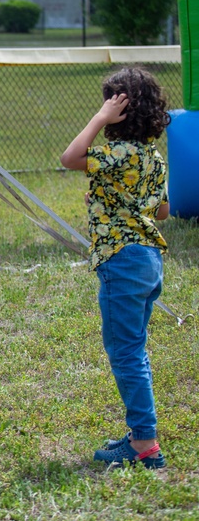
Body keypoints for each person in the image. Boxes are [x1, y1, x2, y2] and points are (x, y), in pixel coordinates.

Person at [60, 66, 170, 469]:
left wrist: (98, 119)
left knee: (126, 355)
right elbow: (162, 210)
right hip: (148, 260)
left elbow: (70, 157)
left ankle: (145, 446)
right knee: (134, 350)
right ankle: (142, 435)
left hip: (122, 261)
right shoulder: (153, 158)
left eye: (108, 103)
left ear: (119, 110)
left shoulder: (117, 153)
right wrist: (115, 204)